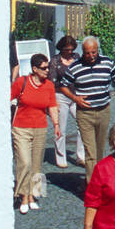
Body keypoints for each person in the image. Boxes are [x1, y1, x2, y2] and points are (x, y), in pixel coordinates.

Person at [58, 36, 115, 182]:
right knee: (90, 153)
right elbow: (63, 86)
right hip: (85, 114)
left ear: (98, 50)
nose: (91, 56)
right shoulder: (75, 67)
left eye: (94, 52)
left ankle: (100, 180)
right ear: (82, 52)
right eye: (87, 53)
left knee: (99, 150)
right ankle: (92, 188)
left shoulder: (107, 63)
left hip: (104, 111)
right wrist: (75, 98)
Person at [11, 53, 60, 213]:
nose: (48, 71)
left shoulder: (49, 86)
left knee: (37, 163)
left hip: (40, 127)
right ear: (34, 69)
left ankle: (34, 194)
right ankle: (23, 195)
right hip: (21, 127)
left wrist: (56, 125)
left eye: (49, 68)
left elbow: (52, 106)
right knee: (24, 162)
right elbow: (8, 98)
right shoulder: (21, 82)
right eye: (44, 68)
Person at [48, 34, 86, 169]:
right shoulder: (55, 61)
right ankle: (60, 157)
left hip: (75, 95)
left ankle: (81, 156)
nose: (69, 52)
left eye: (71, 49)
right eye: (67, 50)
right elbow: (51, 82)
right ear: (61, 48)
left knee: (82, 124)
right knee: (61, 128)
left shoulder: (77, 58)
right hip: (61, 96)